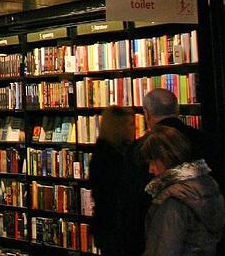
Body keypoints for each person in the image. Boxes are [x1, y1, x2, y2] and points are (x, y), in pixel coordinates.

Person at [121, 88, 224, 254]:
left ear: (146, 114)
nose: (151, 169)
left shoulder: (141, 148)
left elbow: (132, 204)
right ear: (177, 110)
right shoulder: (207, 142)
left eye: (153, 163)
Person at [141, 125, 225, 255]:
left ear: (165, 158)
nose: (150, 170)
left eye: (153, 162)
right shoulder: (207, 186)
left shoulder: (174, 199)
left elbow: (163, 250)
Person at [87, 106, 135, 256]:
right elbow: (112, 194)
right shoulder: (109, 156)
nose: (134, 128)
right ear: (118, 127)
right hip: (114, 226)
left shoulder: (106, 152)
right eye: (130, 124)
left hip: (109, 224)